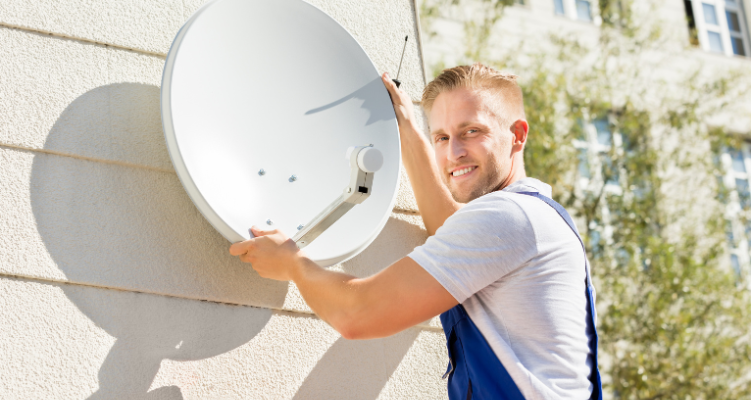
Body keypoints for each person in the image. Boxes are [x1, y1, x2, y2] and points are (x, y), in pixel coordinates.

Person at [230, 64, 601, 399]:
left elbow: (359, 314)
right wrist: (408, 130)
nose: (453, 152)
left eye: (471, 132)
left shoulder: (508, 217)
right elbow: (449, 226)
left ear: (517, 136)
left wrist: (293, 263)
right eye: (442, 137)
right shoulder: (533, 216)